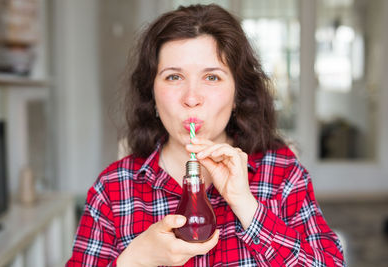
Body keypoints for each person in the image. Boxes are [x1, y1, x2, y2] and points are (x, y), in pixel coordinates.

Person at [67, 4, 345, 266]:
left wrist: (247, 206)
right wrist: (134, 259)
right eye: (174, 77)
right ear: (151, 94)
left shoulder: (282, 173)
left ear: (237, 94)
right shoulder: (114, 189)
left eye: (212, 77)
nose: (191, 98)